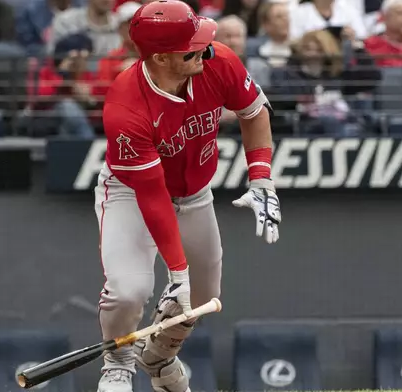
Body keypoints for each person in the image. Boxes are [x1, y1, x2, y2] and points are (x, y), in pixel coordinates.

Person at [94, 1, 281, 392]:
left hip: (195, 193)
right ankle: (118, 361)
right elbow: (153, 196)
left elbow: (254, 112)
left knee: (203, 295)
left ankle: (159, 355)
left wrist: (261, 178)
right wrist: (176, 273)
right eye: (192, 47)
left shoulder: (217, 61)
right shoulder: (125, 106)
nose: (206, 48)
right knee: (130, 292)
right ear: (161, 56)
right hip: (133, 194)